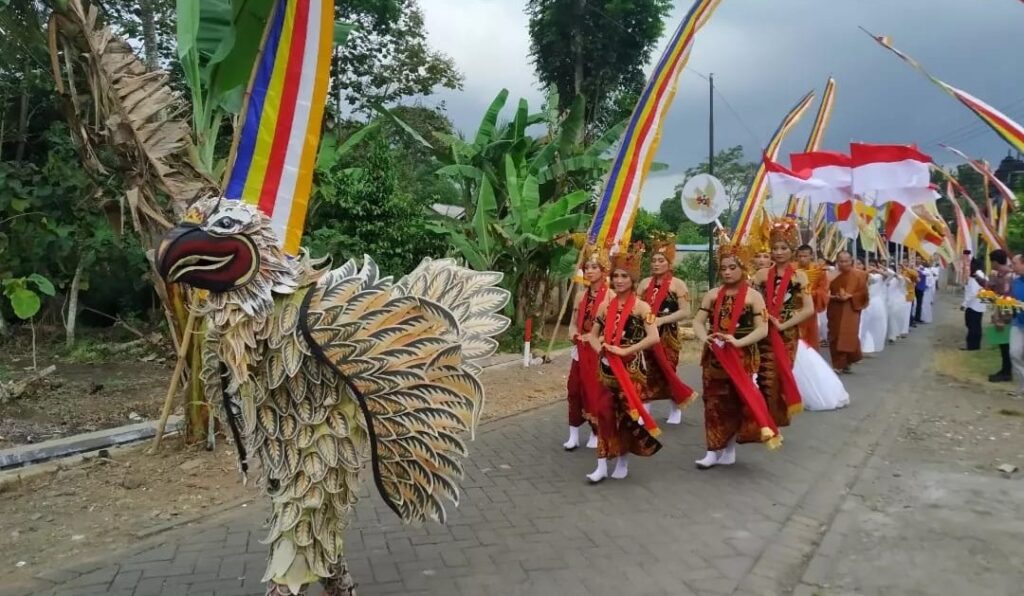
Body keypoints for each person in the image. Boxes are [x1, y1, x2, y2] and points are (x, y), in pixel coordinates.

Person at [692, 236, 776, 469]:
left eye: (733, 267)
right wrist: (704, 337)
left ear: (743, 268)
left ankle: (729, 447)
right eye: (723, 268)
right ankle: (712, 449)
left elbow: (762, 329)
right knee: (713, 403)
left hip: (742, 355)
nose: (727, 272)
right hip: (715, 357)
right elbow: (698, 322)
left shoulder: (753, 297)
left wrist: (739, 343)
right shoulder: (712, 294)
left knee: (737, 401)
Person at [585, 243, 662, 483]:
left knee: (626, 417)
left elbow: (654, 337)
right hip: (606, 369)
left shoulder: (642, 307)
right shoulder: (606, 306)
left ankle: (622, 460)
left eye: (624, 276)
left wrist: (625, 350)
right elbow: (592, 336)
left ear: (633, 279)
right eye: (615, 275)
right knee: (603, 413)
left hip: (631, 369)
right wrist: (603, 352)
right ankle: (600, 464)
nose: (619, 280)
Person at [752, 218, 813, 429]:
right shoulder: (760, 276)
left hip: (786, 335)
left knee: (776, 377)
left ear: (792, 250)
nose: (778, 252)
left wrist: (784, 325)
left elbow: (808, 308)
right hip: (761, 332)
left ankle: (774, 420)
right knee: (762, 375)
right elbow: (751, 303)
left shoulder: (800, 277)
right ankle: (762, 419)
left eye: (783, 248)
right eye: (774, 248)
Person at [638, 232, 698, 425]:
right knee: (645, 371)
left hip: (667, 335)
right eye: (654, 260)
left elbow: (685, 311)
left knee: (667, 370)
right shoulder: (644, 283)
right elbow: (635, 307)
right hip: (645, 334)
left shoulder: (678, 285)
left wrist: (662, 320)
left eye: (661, 260)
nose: (656, 264)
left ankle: (676, 409)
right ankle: (644, 410)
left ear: (669, 263)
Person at [564, 244, 610, 451]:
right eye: (587, 267)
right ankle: (573, 431)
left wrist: (596, 339)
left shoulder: (610, 297)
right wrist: (573, 333)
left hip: (597, 350)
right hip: (580, 349)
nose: (589, 271)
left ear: (603, 270)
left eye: (594, 267)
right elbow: (574, 322)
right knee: (574, 389)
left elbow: (612, 328)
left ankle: (596, 430)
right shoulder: (580, 296)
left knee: (595, 391)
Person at [827, 251, 869, 373]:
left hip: (851, 308)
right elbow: (823, 290)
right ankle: (838, 364)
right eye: (841, 261)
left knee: (849, 335)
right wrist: (833, 297)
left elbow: (864, 293)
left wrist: (850, 296)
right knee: (835, 335)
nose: (844, 263)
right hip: (835, 307)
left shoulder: (860, 275)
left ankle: (846, 362)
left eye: (846, 261)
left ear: (851, 261)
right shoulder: (831, 275)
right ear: (837, 261)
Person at [987, 249, 1014, 383]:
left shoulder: (1007, 277)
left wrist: (1001, 318)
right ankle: (1005, 370)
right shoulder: (1001, 275)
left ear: (995, 262)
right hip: (1002, 310)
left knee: (1006, 344)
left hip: (1005, 312)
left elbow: (1006, 297)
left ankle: (1006, 372)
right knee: (1004, 343)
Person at [796, 245, 829, 351]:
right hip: (793, 308)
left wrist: (809, 294)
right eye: (800, 256)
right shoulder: (791, 269)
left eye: (805, 256)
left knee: (811, 334)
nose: (802, 259)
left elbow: (823, 290)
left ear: (811, 256)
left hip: (810, 308)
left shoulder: (819, 271)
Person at [859, 259, 889, 354]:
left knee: (877, 325)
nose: (871, 267)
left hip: (877, 303)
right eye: (870, 265)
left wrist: (878, 269)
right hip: (864, 303)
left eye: (873, 265)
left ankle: (875, 344)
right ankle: (861, 346)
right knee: (862, 325)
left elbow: (889, 275)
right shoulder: (863, 275)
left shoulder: (880, 276)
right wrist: (868, 271)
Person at [961, 258, 986, 351]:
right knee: (976, 325)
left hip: (973, 305)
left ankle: (972, 345)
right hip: (980, 305)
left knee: (972, 325)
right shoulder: (983, 276)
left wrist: (964, 304)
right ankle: (975, 345)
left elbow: (972, 293)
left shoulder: (976, 277)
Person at [1008, 254, 1024, 398]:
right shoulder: (1015, 281)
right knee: (1014, 352)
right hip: (1018, 323)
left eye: (1015, 263)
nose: (1012, 266)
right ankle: (1020, 387)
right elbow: (1010, 299)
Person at [920, 259, 937, 324]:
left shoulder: (928, 271)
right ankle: (923, 318)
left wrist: (927, 286)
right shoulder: (923, 270)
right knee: (923, 304)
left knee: (926, 304)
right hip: (924, 289)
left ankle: (926, 318)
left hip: (927, 290)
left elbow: (931, 282)